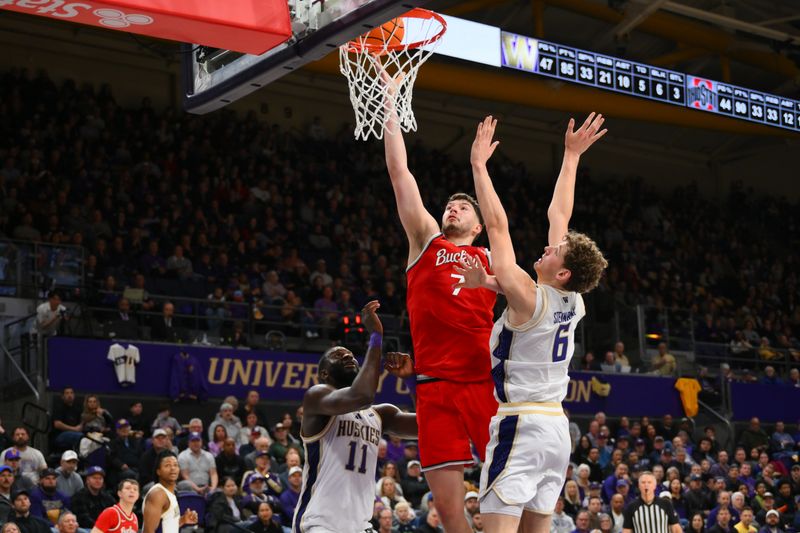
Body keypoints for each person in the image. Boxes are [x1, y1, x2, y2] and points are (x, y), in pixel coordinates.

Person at [459, 114, 608, 533]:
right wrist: (572, 155)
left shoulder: (528, 292)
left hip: (520, 423)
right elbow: (559, 212)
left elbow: (497, 227)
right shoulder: (572, 298)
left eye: (555, 252)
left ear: (562, 272)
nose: (547, 247)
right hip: (557, 431)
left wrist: (478, 166)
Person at [384, 95, 499, 533]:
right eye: (449, 205)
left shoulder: (493, 256)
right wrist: (391, 102)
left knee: (511, 500)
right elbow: (400, 173)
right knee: (451, 515)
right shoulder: (425, 242)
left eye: (463, 207)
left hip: (482, 381)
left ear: (478, 224)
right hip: (433, 388)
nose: (452, 208)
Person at [291, 301, 417, 532]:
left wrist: (411, 380)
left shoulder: (379, 414)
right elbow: (362, 395)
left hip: (360, 526)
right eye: (339, 355)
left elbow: (427, 426)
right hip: (320, 524)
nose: (348, 356)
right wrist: (376, 336)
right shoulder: (317, 397)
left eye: (350, 354)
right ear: (324, 373)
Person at [142, 452, 197, 533]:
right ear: (158, 471)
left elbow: (167, 525)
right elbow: (148, 531)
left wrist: (183, 520)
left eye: (175, 465)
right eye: (167, 465)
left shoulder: (171, 492)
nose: (172, 468)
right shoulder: (158, 494)